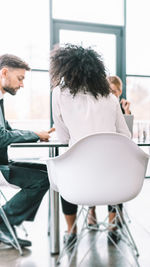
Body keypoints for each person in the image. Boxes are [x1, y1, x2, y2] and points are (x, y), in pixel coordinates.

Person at [50, 44, 131, 246]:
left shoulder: (58, 94)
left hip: (79, 181)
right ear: (97, 71)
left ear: (65, 70)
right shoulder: (111, 97)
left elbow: (62, 137)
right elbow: (125, 134)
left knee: (64, 176)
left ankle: (71, 231)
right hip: (112, 179)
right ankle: (113, 227)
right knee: (115, 171)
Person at [0, 54, 52, 248]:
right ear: (4, 72)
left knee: (48, 172)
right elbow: (1, 138)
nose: (22, 85)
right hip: (0, 167)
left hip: (3, 162)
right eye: (20, 78)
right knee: (42, 179)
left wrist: (37, 134)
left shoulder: (0, 100)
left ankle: (8, 222)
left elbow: (8, 131)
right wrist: (34, 134)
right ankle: (4, 221)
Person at [87, 75, 132, 227]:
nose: (111, 94)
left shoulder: (120, 107)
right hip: (98, 154)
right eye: (108, 90)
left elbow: (127, 135)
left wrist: (126, 112)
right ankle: (91, 211)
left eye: (114, 91)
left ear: (119, 92)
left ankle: (113, 220)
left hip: (116, 153)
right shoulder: (95, 108)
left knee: (117, 177)